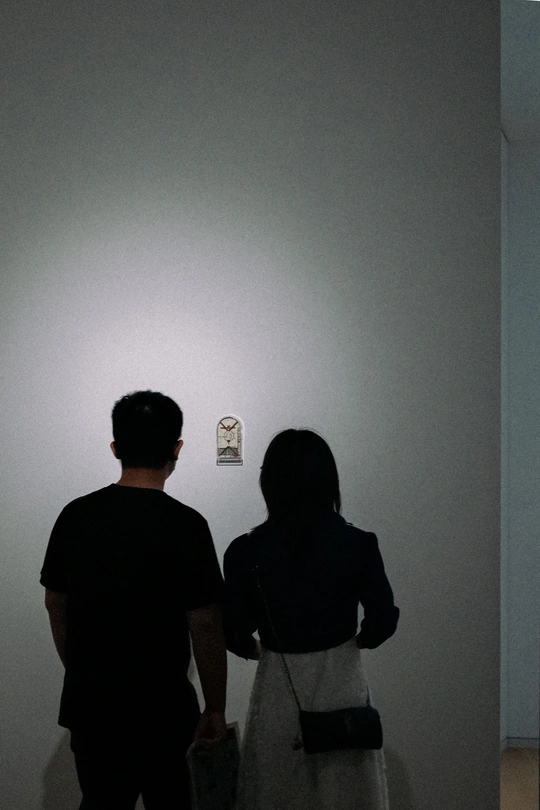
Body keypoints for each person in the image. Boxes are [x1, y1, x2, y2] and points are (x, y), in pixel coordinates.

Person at [40, 390, 228, 810]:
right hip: (165, 706)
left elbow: (55, 601)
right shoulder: (188, 525)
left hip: (92, 705)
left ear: (115, 448)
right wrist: (215, 706)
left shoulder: (75, 516)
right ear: (177, 449)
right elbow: (204, 623)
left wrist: (78, 668)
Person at [222, 428, 400, 810]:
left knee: (277, 790)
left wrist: (259, 650)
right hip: (342, 681)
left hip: (278, 682)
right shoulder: (358, 544)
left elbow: (233, 629)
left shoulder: (245, 551)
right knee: (347, 792)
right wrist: (355, 643)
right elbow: (383, 620)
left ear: (269, 482)